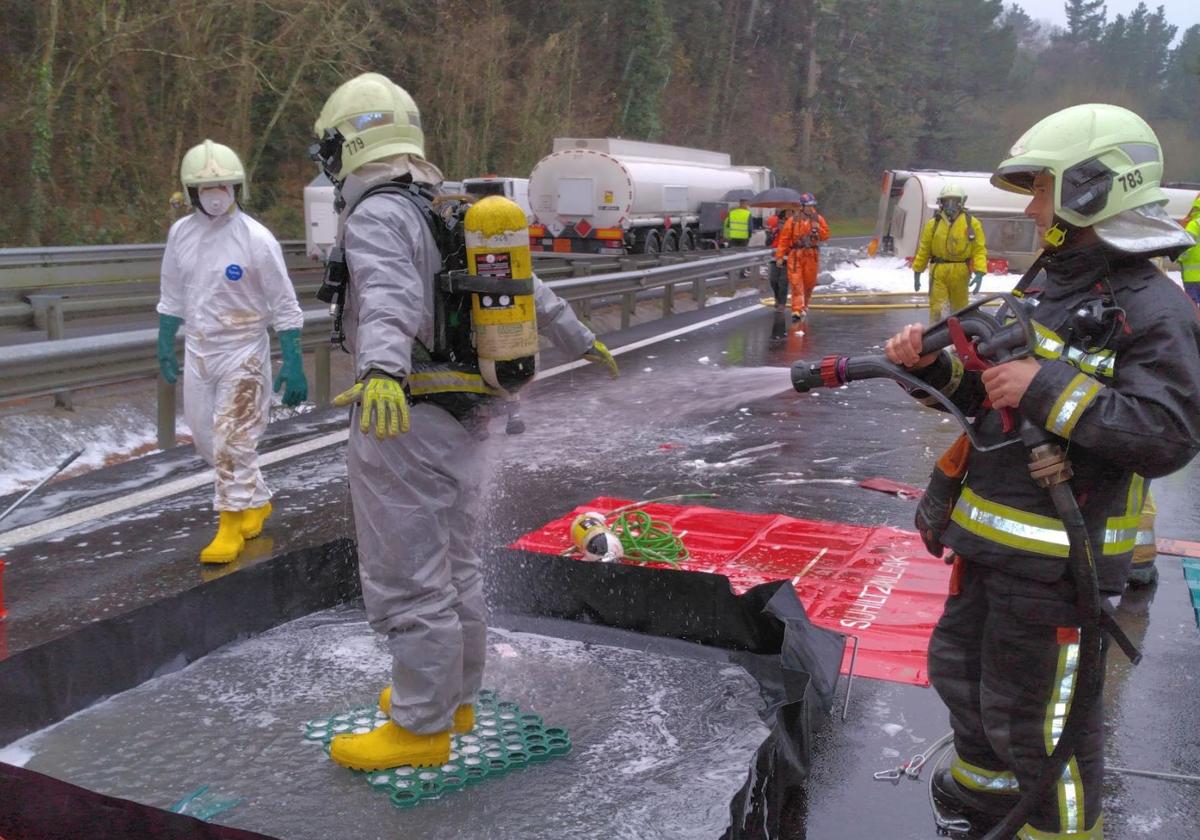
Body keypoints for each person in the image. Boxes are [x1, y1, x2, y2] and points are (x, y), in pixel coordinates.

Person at [884, 104, 1200, 839]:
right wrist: (935, 371)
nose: (1030, 208)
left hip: (1063, 566)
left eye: (1043, 189)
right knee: (964, 681)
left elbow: (1169, 435)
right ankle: (982, 803)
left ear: (1095, 189)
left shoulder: (1152, 309)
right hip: (993, 548)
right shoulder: (1048, 290)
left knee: (1042, 725)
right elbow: (998, 414)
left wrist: (1046, 387)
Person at [308, 72, 619, 772]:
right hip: (471, 414)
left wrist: (380, 370)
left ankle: (419, 729)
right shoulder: (446, 208)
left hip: (406, 418)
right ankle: (455, 698)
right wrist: (579, 336)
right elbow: (522, 286)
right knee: (457, 565)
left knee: (407, 575)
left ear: (349, 144)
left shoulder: (379, 216)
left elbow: (386, 297)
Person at [157, 140, 307, 565]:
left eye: (223, 185)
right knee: (207, 440)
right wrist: (165, 341)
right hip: (199, 350)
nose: (215, 193)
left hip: (242, 351)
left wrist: (293, 361)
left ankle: (229, 523)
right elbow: (171, 295)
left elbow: (285, 306)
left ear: (237, 187)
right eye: (206, 187)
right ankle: (256, 499)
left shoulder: (256, 239)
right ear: (191, 193)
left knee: (231, 440)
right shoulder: (180, 235)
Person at [912, 183, 988, 322]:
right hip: (938, 271)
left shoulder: (972, 224)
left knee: (960, 311)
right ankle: (937, 339)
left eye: (954, 201)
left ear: (962, 202)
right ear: (941, 202)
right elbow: (924, 249)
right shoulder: (933, 224)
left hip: (961, 271)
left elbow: (979, 250)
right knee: (938, 309)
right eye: (946, 201)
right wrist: (917, 270)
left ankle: (959, 339)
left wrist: (980, 272)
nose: (950, 205)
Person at [773, 193, 829, 321]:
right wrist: (780, 256)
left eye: (812, 205)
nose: (810, 208)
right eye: (808, 206)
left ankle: (804, 306)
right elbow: (784, 239)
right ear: (802, 206)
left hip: (811, 255)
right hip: (796, 255)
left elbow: (826, 236)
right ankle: (796, 309)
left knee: (809, 283)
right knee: (796, 282)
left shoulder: (818, 219)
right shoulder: (792, 220)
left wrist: (818, 230)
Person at [1181, 193, 1200, 305]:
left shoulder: (1194, 224)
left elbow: (1184, 248)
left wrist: (1179, 258)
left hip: (1192, 277)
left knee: (1193, 308)